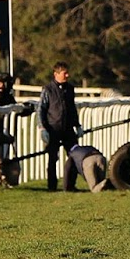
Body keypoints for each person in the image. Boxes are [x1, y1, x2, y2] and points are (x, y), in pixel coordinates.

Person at [38, 61, 81, 192]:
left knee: (75, 155)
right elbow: (41, 109)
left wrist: (77, 125)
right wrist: (42, 128)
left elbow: (72, 109)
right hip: (53, 129)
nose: (67, 75)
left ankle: (70, 185)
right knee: (52, 158)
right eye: (64, 73)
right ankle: (52, 186)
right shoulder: (47, 89)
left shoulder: (70, 89)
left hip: (68, 129)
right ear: (56, 74)